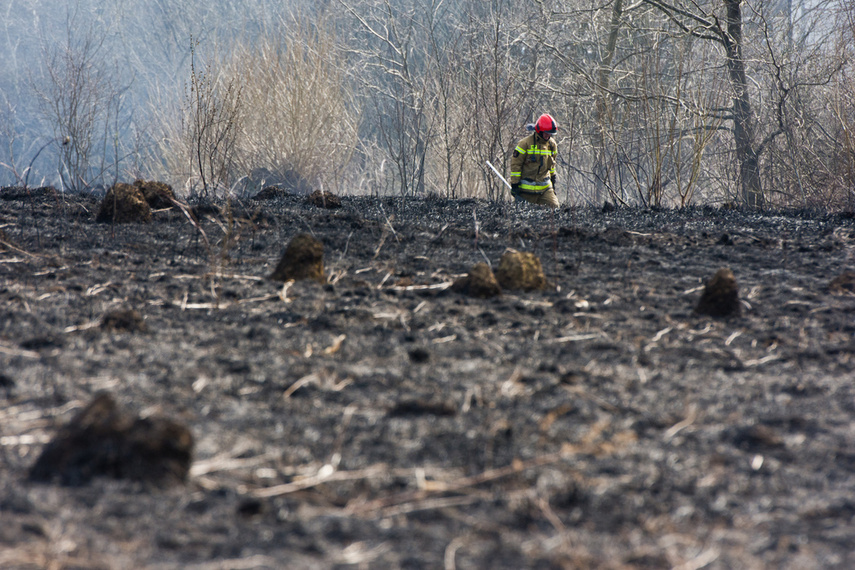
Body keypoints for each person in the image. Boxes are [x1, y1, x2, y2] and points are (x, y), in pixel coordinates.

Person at [509, 113, 559, 208]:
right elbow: (516, 165)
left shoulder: (552, 145)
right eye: (546, 132)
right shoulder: (524, 144)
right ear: (539, 131)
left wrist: (553, 180)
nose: (548, 135)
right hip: (526, 191)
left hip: (545, 190)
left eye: (550, 133)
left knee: (555, 208)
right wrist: (515, 185)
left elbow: (552, 166)